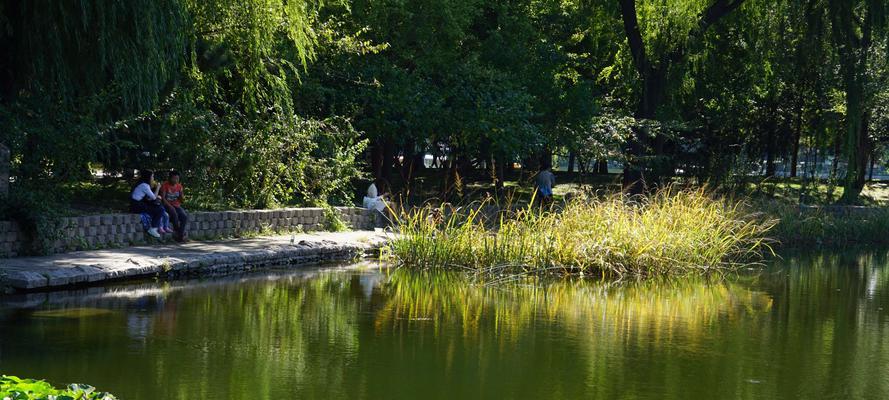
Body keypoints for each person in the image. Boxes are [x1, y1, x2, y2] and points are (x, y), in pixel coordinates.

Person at [130, 169, 164, 238]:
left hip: (136, 204)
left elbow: (150, 197)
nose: (153, 178)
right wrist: (158, 187)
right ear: (148, 177)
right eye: (152, 176)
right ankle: (153, 228)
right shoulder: (144, 185)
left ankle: (154, 226)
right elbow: (154, 197)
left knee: (157, 206)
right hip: (137, 206)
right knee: (160, 209)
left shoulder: (142, 184)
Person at [159, 170, 189, 242]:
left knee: (184, 216)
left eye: (177, 179)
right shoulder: (165, 185)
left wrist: (181, 195)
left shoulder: (179, 186)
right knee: (174, 214)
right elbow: (163, 199)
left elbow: (182, 200)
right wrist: (170, 206)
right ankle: (180, 234)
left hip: (176, 205)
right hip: (166, 204)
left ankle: (180, 235)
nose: (176, 180)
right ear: (169, 178)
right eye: (174, 178)